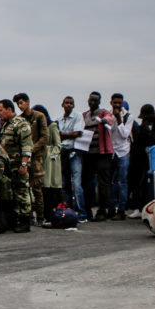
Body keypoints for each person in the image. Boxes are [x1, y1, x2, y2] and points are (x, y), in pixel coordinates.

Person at [0, 98, 33, 233]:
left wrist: (24, 164)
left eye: (1, 110)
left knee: (22, 192)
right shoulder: (7, 124)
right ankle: (14, 220)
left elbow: (27, 146)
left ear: (9, 109)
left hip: (18, 165)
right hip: (8, 166)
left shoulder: (21, 124)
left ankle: (25, 221)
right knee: (12, 193)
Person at [81, 92, 114, 222]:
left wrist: (105, 121)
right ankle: (87, 210)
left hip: (103, 153)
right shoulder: (85, 115)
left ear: (99, 101)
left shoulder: (104, 113)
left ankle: (102, 211)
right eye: (91, 100)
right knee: (86, 182)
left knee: (103, 183)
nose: (93, 102)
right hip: (88, 153)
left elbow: (109, 119)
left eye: (95, 100)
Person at [14, 93, 47, 223]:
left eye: (21, 103)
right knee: (25, 187)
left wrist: (31, 150)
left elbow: (44, 136)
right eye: (18, 104)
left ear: (27, 102)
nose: (20, 106)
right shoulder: (19, 119)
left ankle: (40, 215)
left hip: (36, 157)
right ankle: (29, 214)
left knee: (37, 187)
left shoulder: (39, 116)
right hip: (24, 158)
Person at [56, 96, 86, 221]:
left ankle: (81, 212)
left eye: (71, 103)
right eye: (66, 103)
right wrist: (64, 136)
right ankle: (69, 211)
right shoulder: (59, 120)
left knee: (77, 184)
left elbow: (77, 133)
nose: (68, 105)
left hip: (74, 152)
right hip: (63, 152)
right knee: (65, 184)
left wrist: (62, 135)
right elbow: (57, 136)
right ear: (62, 105)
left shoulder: (78, 116)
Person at [34, 105, 62, 225]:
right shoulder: (37, 128)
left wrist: (48, 152)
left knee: (50, 188)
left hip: (51, 162)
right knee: (41, 189)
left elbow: (58, 145)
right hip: (40, 161)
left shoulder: (52, 126)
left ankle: (50, 215)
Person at [108, 93, 133, 220]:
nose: (117, 105)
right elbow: (110, 132)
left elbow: (124, 134)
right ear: (111, 103)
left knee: (122, 181)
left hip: (123, 151)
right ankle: (112, 208)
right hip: (112, 150)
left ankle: (121, 210)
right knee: (111, 181)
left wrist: (119, 119)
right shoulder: (108, 115)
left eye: (119, 103)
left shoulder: (128, 116)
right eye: (115, 103)